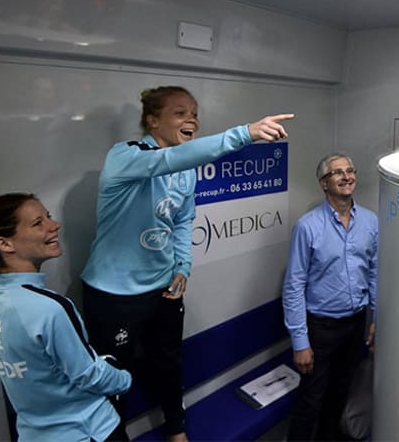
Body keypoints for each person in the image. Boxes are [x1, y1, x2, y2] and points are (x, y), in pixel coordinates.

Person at [81, 85, 292, 442]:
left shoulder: (187, 171)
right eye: (180, 113)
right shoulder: (125, 155)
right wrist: (245, 133)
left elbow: (182, 220)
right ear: (153, 121)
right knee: (112, 377)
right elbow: (167, 160)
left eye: (194, 113)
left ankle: (176, 429)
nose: (191, 119)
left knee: (169, 362)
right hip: (114, 295)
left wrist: (182, 266)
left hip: (163, 287)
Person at [0, 193, 132, 442]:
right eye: (38, 223)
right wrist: (125, 379)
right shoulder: (50, 308)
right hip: (88, 432)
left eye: (48, 217)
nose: (55, 225)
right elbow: (90, 375)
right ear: (5, 244)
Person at [283, 153, 378, 441]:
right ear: (324, 183)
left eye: (350, 170)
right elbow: (294, 286)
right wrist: (300, 342)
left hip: (356, 324)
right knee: (311, 400)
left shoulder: (370, 222)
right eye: (337, 172)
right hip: (321, 328)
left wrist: (377, 319)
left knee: (340, 393)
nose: (346, 176)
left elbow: (374, 274)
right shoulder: (307, 226)